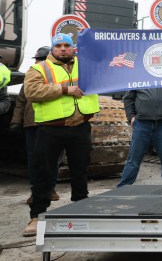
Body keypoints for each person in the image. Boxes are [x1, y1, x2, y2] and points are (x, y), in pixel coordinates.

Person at [22, 33, 100, 236]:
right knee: (44, 172)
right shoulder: (39, 68)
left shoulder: (86, 65)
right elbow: (32, 92)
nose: (63, 49)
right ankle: (36, 216)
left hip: (80, 125)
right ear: (52, 49)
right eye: (59, 46)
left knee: (80, 170)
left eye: (67, 45)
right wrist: (65, 89)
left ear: (74, 48)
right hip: (51, 128)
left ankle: (80, 210)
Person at [9, 47, 61, 204]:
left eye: (39, 59)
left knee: (52, 158)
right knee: (35, 159)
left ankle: (50, 188)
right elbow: (21, 100)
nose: (37, 62)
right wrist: (16, 121)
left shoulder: (56, 75)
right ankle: (36, 191)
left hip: (52, 122)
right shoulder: (31, 76)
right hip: (32, 124)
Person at [117, 87, 162, 187]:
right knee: (134, 159)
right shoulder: (140, 77)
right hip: (142, 123)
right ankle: (123, 187)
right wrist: (131, 117)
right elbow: (128, 98)